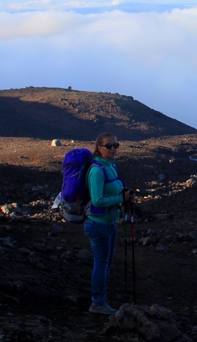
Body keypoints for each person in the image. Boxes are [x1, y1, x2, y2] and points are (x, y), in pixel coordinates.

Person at [84, 132, 132, 315]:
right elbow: (97, 200)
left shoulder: (110, 165)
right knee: (101, 263)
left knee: (106, 263)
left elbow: (114, 188)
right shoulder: (97, 170)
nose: (113, 149)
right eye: (109, 146)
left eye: (116, 146)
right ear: (99, 148)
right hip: (98, 224)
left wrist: (124, 194)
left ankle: (101, 298)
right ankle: (97, 303)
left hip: (109, 222)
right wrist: (120, 198)